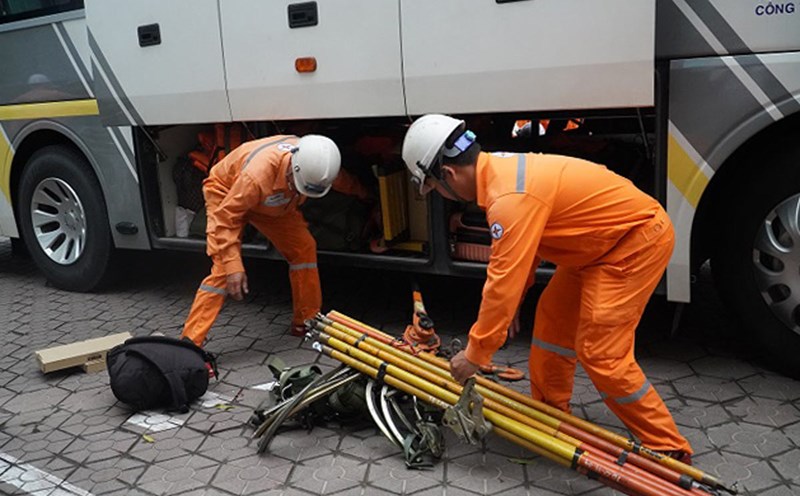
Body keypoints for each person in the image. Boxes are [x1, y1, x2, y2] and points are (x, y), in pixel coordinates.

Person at [401, 114, 693, 462]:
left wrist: (476, 355)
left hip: (634, 241)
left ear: (447, 175)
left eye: (433, 187)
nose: (439, 194)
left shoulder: (508, 197)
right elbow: (522, 258)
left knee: (601, 352)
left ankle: (667, 446)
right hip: (596, 247)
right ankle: (551, 416)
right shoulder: (501, 173)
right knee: (552, 319)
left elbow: (501, 282)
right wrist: (512, 309)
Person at [181, 133, 367, 347]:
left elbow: (343, 181)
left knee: (304, 248)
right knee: (223, 268)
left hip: (272, 203)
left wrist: (366, 194)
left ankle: (306, 321)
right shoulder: (257, 175)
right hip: (227, 194)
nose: (301, 191)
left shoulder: (318, 165)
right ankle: (190, 344)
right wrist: (234, 266)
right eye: (298, 185)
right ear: (293, 169)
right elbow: (227, 218)